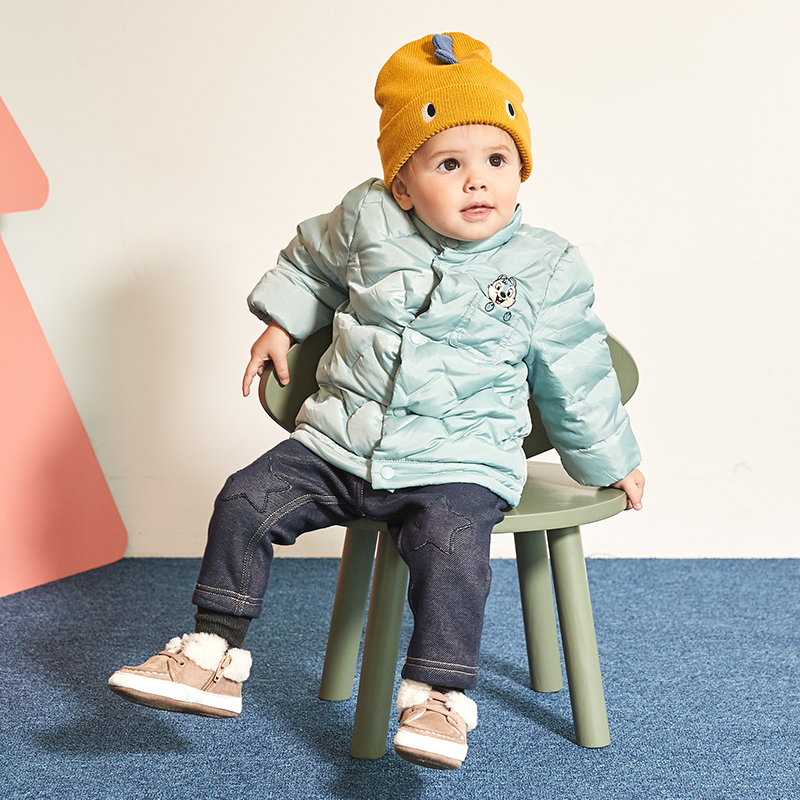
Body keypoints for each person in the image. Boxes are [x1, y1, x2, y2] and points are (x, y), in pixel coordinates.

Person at [109, 32, 644, 771]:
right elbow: (311, 265)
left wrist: (611, 460)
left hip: (460, 460)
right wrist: (281, 323)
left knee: (451, 552)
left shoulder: (545, 266)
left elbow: (578, 374)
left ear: (521, 169)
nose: (478, 181)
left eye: (498, 161)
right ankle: (212, 653)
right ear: (402, 184)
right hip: (342, 444)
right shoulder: (367, 218)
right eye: (449, 165)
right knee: (244, 498)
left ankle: (437, 697)